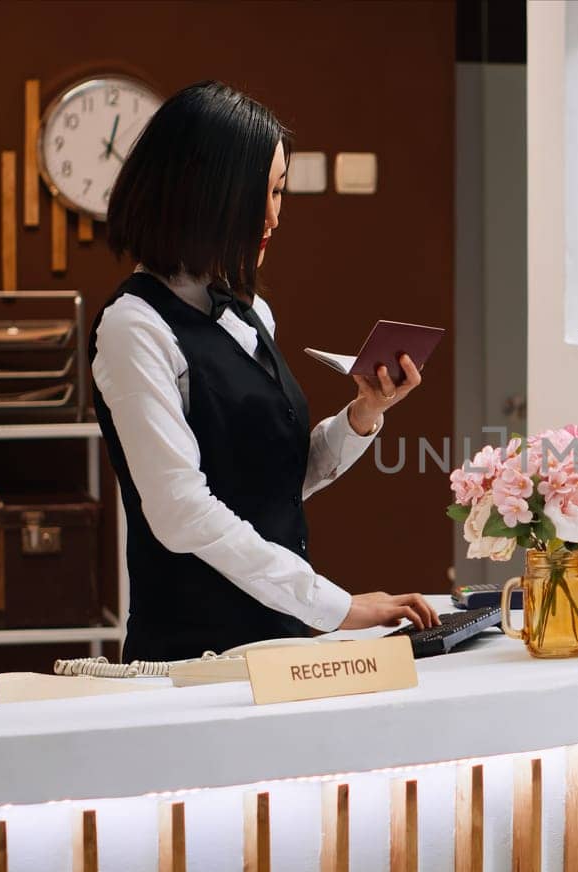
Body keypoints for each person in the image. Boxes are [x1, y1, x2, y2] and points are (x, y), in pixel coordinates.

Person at [91, 81, 439, 662]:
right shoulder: (135, 327)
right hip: (194, 652)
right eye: (263, 193)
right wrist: (338, 606)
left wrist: (363, 415)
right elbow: (181, 513)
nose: (275, 216)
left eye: (281, 192)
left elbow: (270, 479)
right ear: (206, 193)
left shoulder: (251, 312)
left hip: (280, 639)